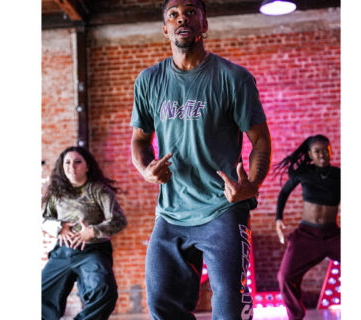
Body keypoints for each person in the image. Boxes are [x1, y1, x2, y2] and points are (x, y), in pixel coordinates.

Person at [129, 1, 272, 319]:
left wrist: (252, 184)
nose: (182, 18)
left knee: (229, 305)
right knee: (162, 304)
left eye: (191, 12)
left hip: (222, 208)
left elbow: (260, 139)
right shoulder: (149, 81)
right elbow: (139, 138)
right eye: (173, 14)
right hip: (171, 212)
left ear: (204, 24)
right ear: (165, 28)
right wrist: (146, 170)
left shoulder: (234, 78)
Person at [41, 146, 128, 320]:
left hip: (93, 251)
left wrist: (93, 232)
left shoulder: (99, 191)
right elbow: (42, 220)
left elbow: (119, 220)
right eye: (67, 162)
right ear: (62, 166)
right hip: (62, 253)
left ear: (87, 166)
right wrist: (60, 227)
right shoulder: (56, 193)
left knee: (104, 291)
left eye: (77, 162)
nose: (72, 166)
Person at [273, 135, 340, 320]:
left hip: (333, 235)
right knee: (285, 277)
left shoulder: (339, 175)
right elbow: (284, 192)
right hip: (307, 235)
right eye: (317, 151)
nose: (322, 154)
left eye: (326, 150)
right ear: (310, 153)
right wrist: (279, 218)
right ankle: (295, 316)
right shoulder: (304, 173)